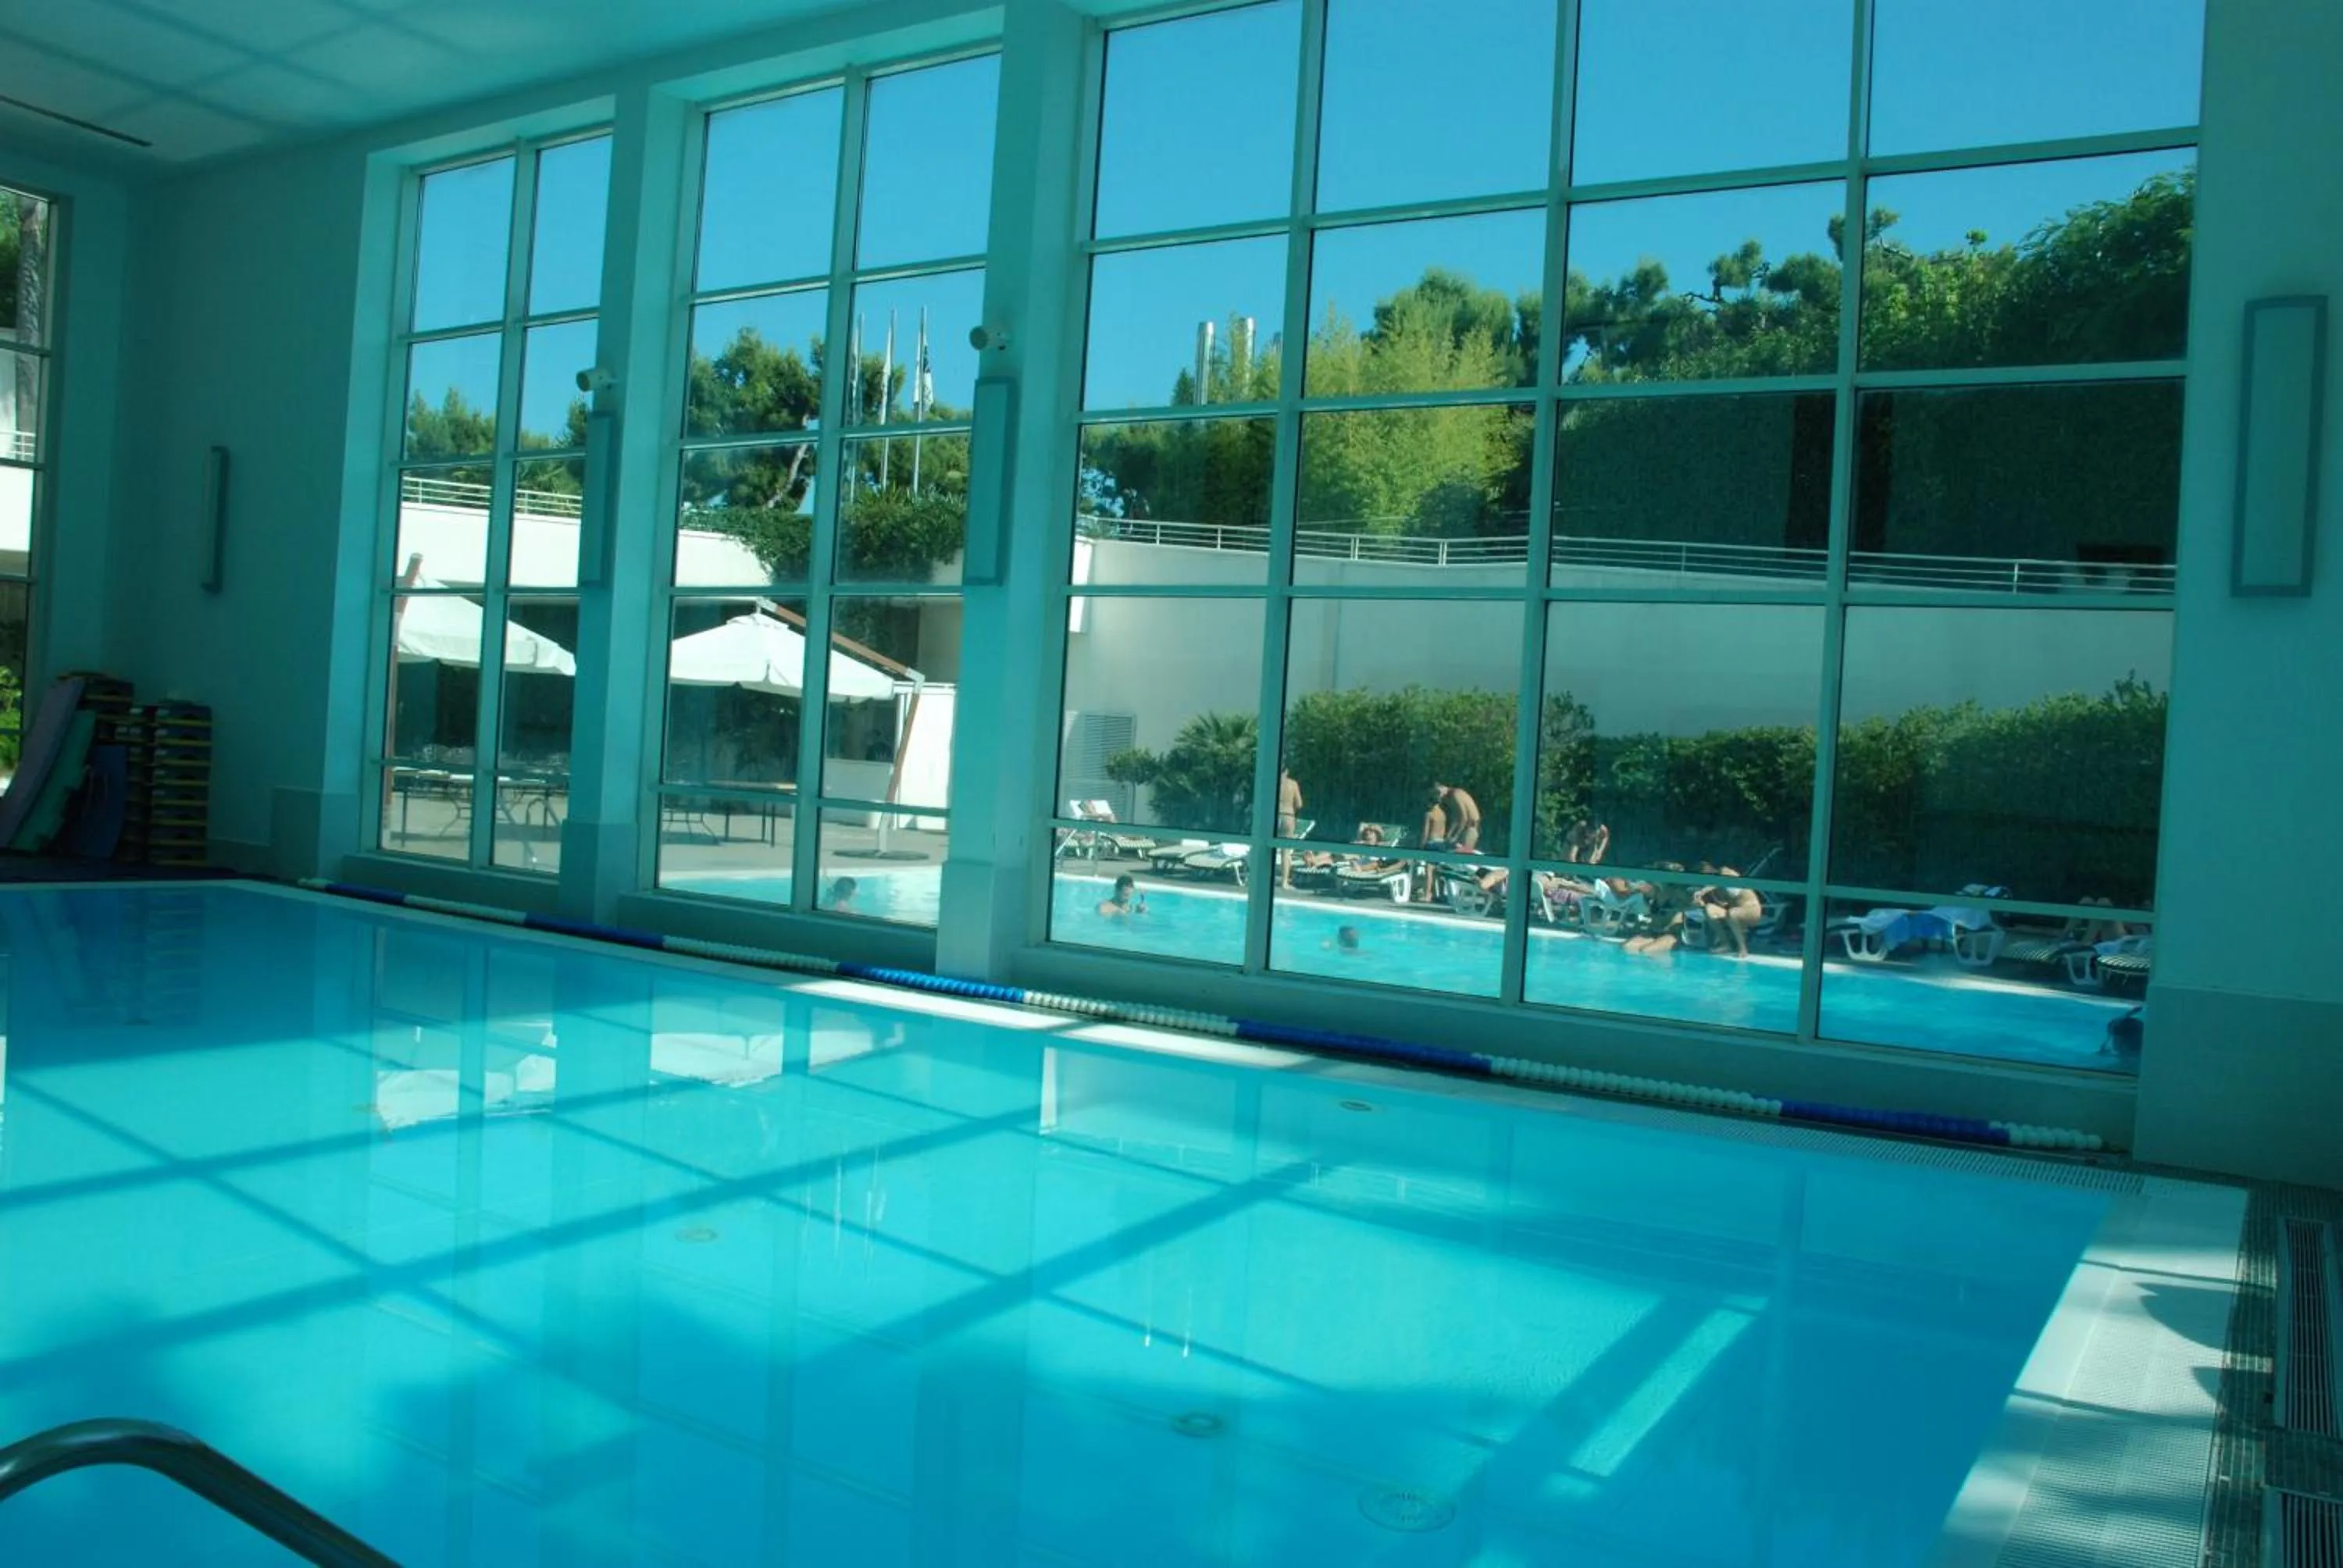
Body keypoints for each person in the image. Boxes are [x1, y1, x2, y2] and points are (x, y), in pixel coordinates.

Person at [1693, 870, 1765, 957]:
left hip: (1751, 910)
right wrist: (1701, 902)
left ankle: (1743, 948)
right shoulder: (1717, 889)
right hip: (1734, 910)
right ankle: (1725, 943)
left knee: (1732, 913)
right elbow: (1724, 904)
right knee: (1709, 909)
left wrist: (1703, 891)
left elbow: (1723, 879)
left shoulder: (1727, 872)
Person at [1431, 782, 1482, 853]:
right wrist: (1449, 835)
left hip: (1471, 827)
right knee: (1452, 851)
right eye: (1436, 794)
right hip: (1465, 828)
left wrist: (1455, 836)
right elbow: (1456, 819)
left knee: (1464, 853)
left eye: (1438, 792)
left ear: (1443, 787)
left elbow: (1464, 818)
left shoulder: (1456, 794)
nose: (1438, 795)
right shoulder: (1449, 798)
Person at [1277, 768, 1304, 888]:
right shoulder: (1292, 784)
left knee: (1268, 848)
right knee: (1286, 851)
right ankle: (1284, 882)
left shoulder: (1272, 783)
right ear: (1287, 771)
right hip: (1287, 816)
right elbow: (1299, 804)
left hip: (1273, 816)